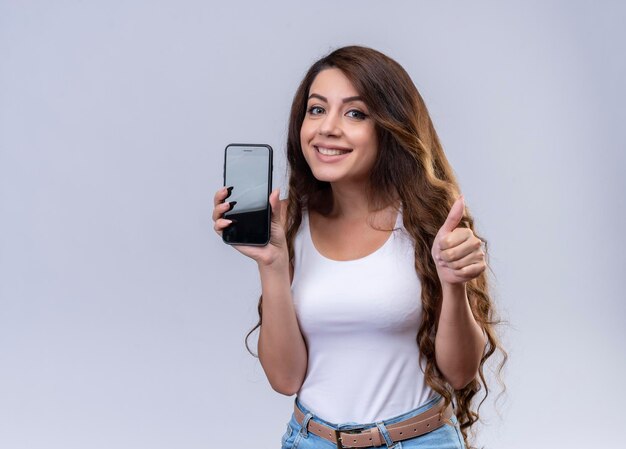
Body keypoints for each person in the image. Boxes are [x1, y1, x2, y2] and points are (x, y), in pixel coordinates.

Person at [212, 46, 506, 449]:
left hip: (420, 440)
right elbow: (285, 379)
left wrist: (454, 284)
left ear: (389, 126)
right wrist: (272, 263)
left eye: (355, 113)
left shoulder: (428, 224)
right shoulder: (290, 225)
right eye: (316, 110)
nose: (328, 127)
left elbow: (459, 373)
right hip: (311, 441)